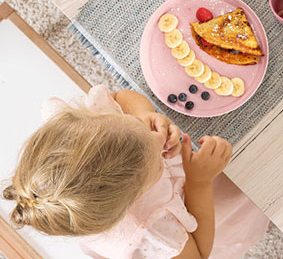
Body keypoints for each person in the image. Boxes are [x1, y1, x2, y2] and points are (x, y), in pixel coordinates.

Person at [2, 85, 268, 258]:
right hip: (205, 210)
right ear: (140, 190)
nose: (157, 137)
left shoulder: (77, 136)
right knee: (259, 185)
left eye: (133, 126)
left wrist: (144, 115)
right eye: (153, 155)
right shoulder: (152, 229)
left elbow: (120, 97)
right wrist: (199, 182)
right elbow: (198, 252)